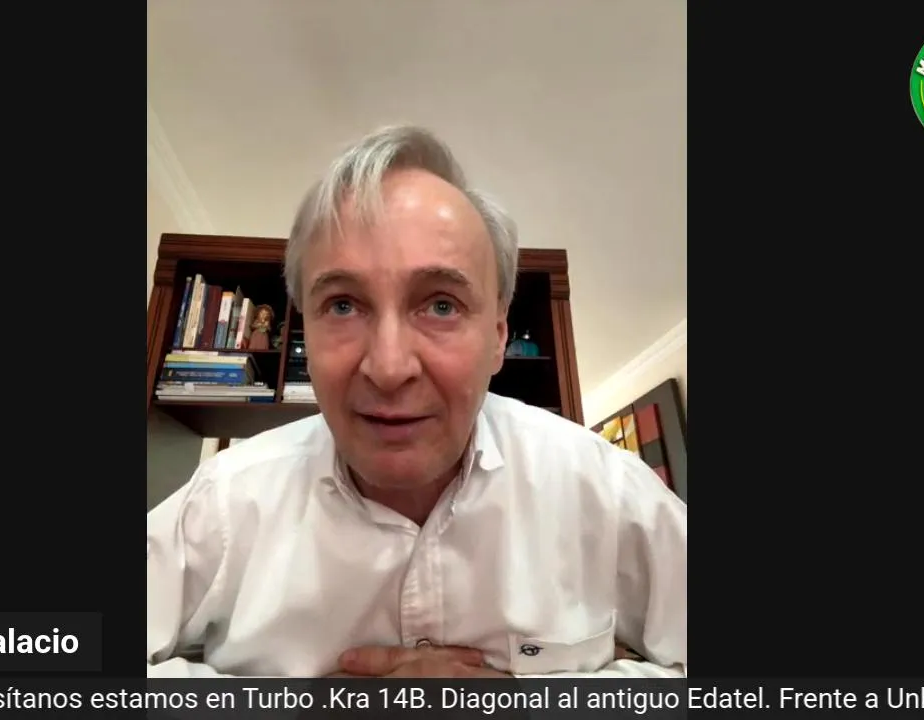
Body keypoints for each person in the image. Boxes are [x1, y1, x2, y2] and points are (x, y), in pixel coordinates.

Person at [146, 125, 686, 678]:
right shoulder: (224, 502)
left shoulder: (603, 488)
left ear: (498, 336)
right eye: (342, 305)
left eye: (442, 305)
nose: (388, 368)